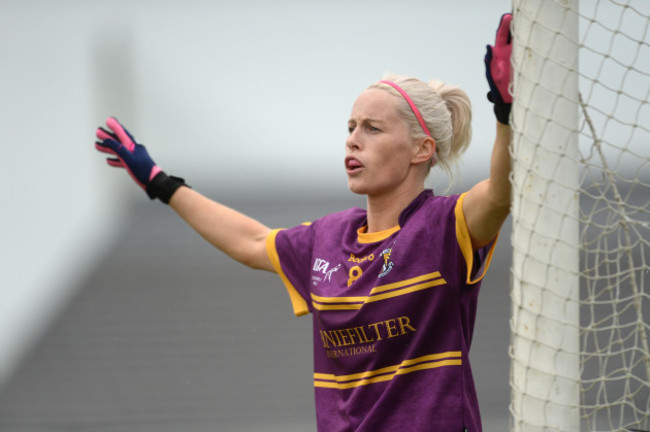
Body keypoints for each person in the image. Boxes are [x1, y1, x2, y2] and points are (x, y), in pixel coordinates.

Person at [95, 13, 513, 432]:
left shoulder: (442, 227)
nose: (352, 138)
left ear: (422, 149)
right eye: (350, 127)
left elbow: (500, 191)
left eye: (373, 128)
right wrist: (160, 183)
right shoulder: (328, 239)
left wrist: (505, 113)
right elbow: (252, 241)